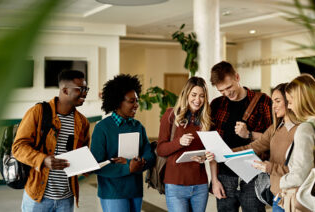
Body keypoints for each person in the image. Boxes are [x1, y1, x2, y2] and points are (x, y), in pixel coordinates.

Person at [12, 70, 90, 212]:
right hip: (37, 198)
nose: (85, 93)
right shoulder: (38, 112)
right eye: (81, 89)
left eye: (86, 89)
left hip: (66, 199)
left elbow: (83, 153)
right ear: (65, 90)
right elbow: (18, 147)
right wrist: (43, 160)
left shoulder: (82, 122)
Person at [208, 61, 272, 212]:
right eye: (222, 90)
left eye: (229, 87)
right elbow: (212, 146)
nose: (227, 93)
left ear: (237, 77)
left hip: (253, 176)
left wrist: (249, 134)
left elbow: (273, 139)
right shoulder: (216, 105)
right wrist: (214, 180)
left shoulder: (263, 102)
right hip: (224, 177)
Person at [229, 83, 299, 212]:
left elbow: (301, 169)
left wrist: (269, 167)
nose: (274, 106)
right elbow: (252, 147)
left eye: (277, 101)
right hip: (278, 196)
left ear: (289, 100)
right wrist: (225, 153)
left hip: (296, 196)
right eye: (273, 102)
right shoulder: (275, 128)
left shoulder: (302, 129)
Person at [90, 74, 155, 212]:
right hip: (112, 193)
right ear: (118, 102)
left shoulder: (138, 126)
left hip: (135, 191)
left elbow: (149, 155)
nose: (136, 105)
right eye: (132, 101)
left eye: (137, 100)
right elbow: (96, 165)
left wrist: (138, 162)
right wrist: (128, 168)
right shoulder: (102, 128)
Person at [279, 74, 315, 211]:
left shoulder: (305, 128)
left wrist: (282, 181)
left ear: (302, 101)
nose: (289, 107)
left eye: (290, 101)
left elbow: (300, 175)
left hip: (304, 199)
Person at [157, 76, 211, 212]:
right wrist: (179, 142)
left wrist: (204, 157)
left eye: (202, 96)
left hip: (200, 185)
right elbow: (160, 149)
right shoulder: (170, 115)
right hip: (175, 185)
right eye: (193, 95)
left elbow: (209, 149)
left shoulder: (206, 120)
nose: (197, 100)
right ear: (186, 94)